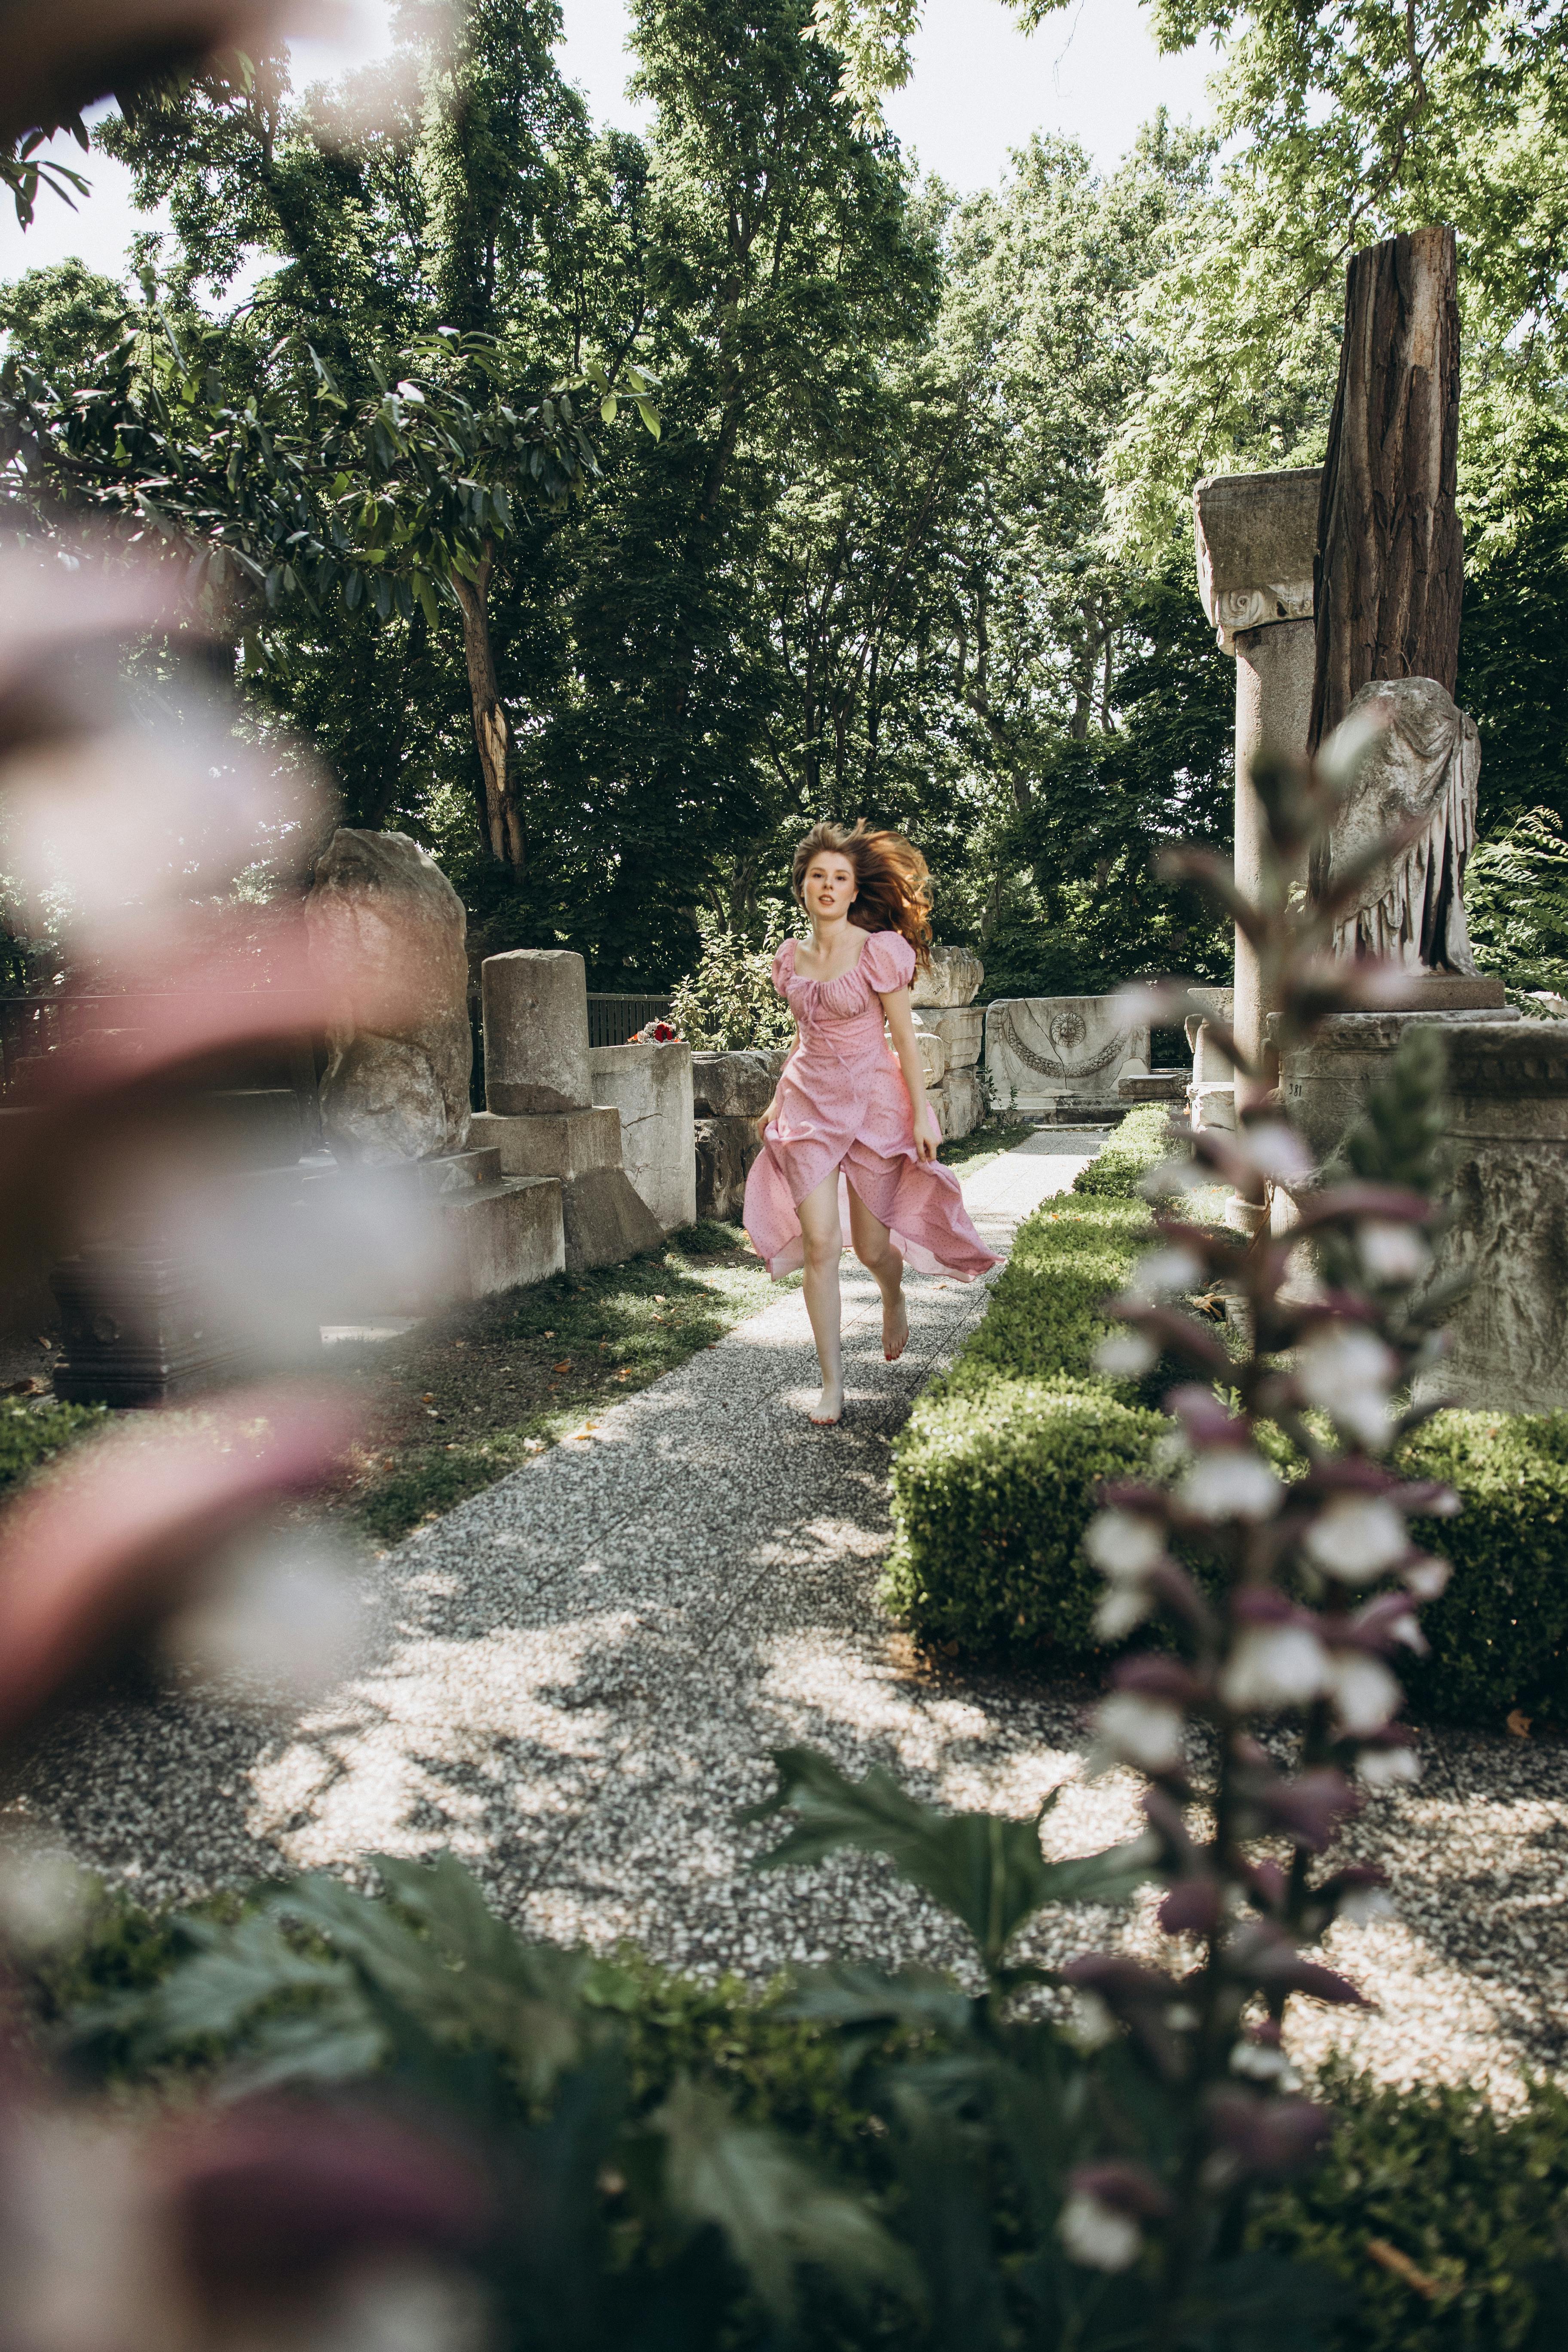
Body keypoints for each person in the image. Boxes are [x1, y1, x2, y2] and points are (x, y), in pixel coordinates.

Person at [743, 821, 999, 1426]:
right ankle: (832, 1383)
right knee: (821, 1245)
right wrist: (780, 1098)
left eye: (840, 878)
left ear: (855, 891)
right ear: (802, 887)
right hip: (808, 1106)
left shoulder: (879, 950)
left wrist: (923, 1111)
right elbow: (805, 1038)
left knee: (875, 1245)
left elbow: (905, 1041)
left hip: (874, 1103)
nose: (828, 886)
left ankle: (892, 1295)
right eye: (818, 877)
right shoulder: (791, 959)